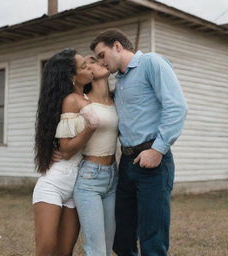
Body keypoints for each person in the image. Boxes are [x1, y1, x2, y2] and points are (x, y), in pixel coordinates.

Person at [90, 29, 188, 256]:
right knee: (121, 238)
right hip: (126, 162)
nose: (102, 62)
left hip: (153, 160)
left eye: (102, 55)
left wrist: (158, 149)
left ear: (117, 46)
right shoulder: (120, 80)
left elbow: (177, 107)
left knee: (152, 239)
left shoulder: (151, 63)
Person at [33, 48, 98, 256]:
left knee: (65, 252)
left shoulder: (90, 98)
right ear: (72, 76)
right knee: (46, 249)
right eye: (83, 66)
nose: (88, 67)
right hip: (53, 184)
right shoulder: (69, 100)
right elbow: (66, 149)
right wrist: (89, 128)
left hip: (78, 185)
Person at [73, 55, 119, 256]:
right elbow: (62, 134)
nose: (99, 62)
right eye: (90, 62)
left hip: (113, 175)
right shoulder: (81, 102)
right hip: (89, 177)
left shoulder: (117, 100)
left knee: (109, 247)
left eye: (99, 58)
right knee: (96, 250)